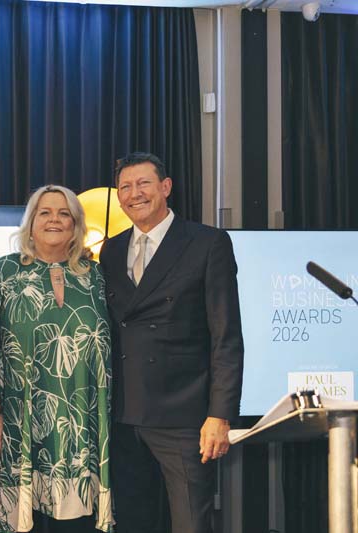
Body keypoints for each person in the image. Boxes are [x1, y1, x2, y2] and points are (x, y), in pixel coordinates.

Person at [98, 152, 244, 533]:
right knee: (133, 524)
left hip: (184, 418)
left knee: (191, 524)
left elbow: (226, 337)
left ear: (166, 187)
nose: (134, 194)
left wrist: (220, 415)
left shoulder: (207, 243)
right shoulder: (111, 250)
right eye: (125, 187)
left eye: (143, 183)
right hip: (124, 416)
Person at [0, 184, 114, 533]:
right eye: (45, 212)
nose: (55, 220)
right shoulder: (5, 272)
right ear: (31, 222)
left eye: (64, 213)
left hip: (82, 427)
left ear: (76, 224)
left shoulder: (95, 276)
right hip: (18, 421)